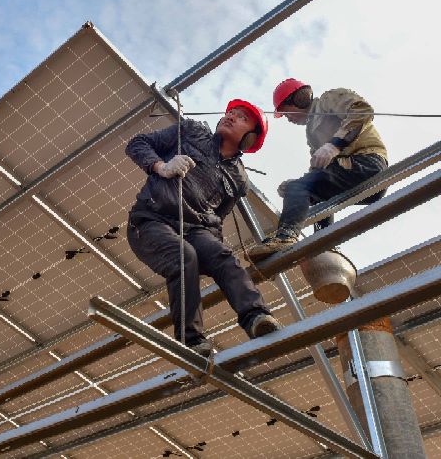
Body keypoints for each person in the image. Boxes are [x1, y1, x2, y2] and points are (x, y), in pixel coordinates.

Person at [126, 99, 281, 357]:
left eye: (241, 118)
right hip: (151, 220)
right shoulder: (192, 131)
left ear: (249, 139)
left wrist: (213, 252)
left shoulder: (240, 179)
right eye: (231, 112)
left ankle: (256, 317)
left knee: (224, 257)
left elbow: (216, 217)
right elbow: (137, 144)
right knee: (183, 255)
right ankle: (192, 342)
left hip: (196, 228)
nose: (230, 116)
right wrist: (162, 167)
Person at [248, 78, 388, 259]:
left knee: (300, 188)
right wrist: (295, 189)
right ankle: (326, 247)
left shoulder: (328, 100)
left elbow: (361, 111)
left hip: (367, 164)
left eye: (285, 112)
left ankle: (285, 237)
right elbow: (319, 170)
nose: (287, 118)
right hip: (352, 175)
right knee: (309, 195)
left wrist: (334, 144)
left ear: (299, 99)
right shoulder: (311, 132)